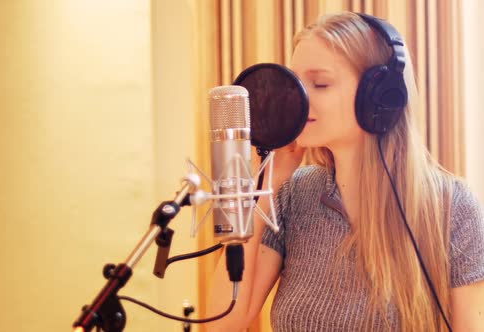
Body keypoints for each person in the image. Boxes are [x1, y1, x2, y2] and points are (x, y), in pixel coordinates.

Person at [205, 11, 484, 331]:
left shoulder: (453, 207)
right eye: (295, 82)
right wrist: (268, 183)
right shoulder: (293, 195)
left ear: (377, 98)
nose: (297, 97)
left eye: (320, 83)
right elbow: (221, 324)